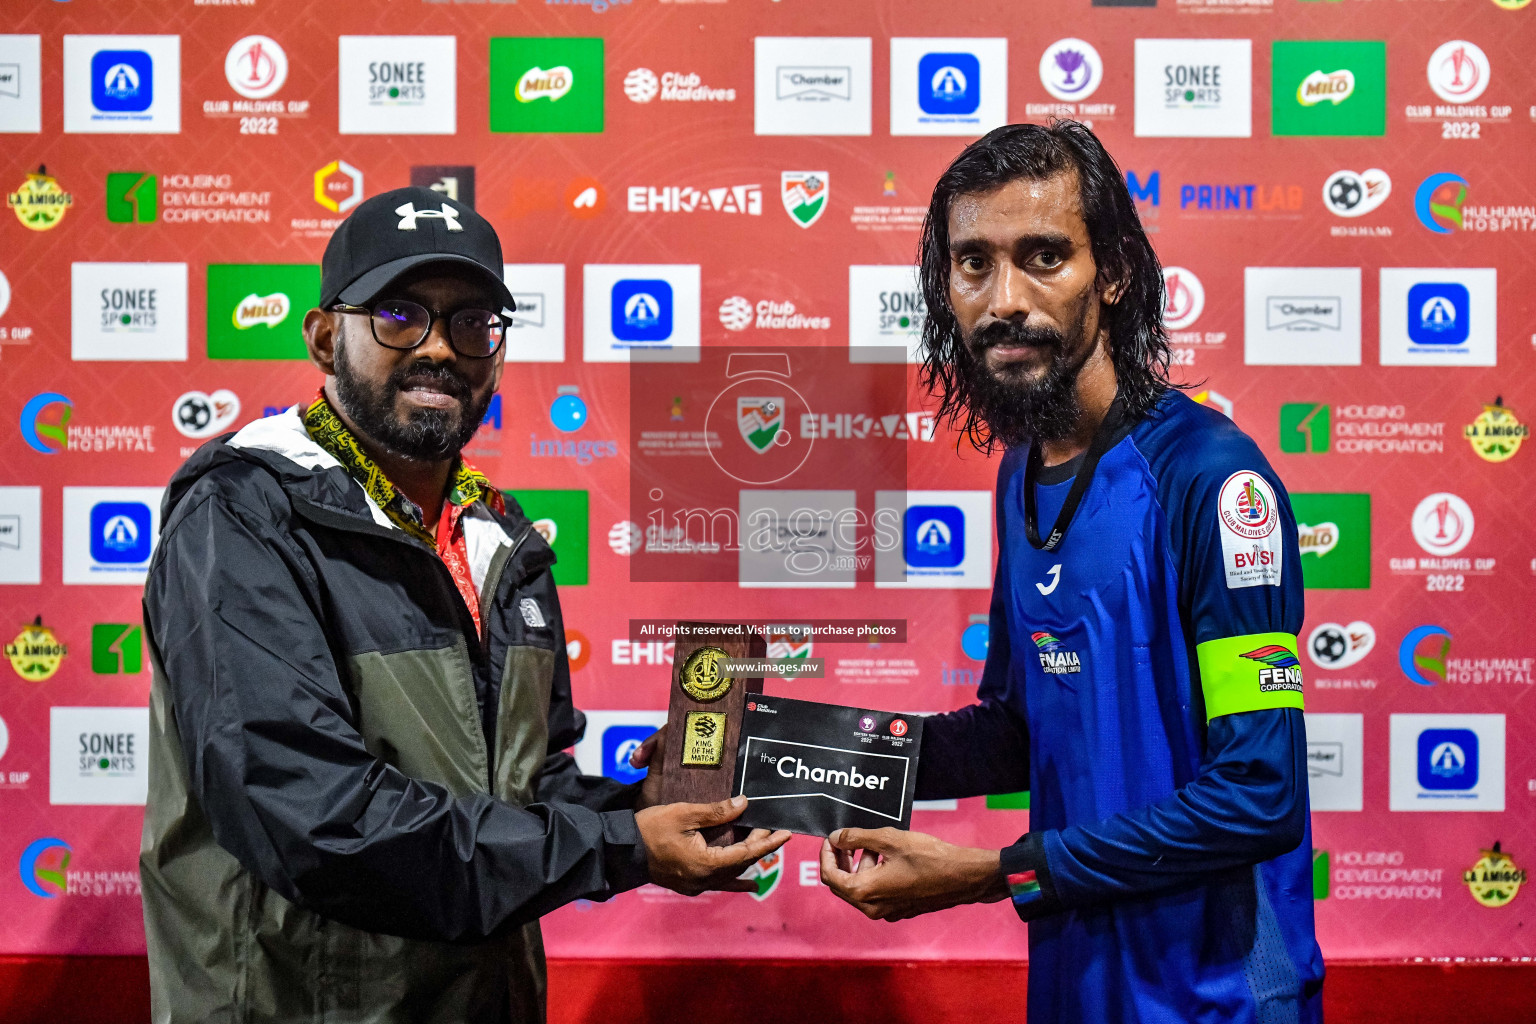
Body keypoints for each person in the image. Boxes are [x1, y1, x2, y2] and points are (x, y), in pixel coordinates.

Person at [139, 186, 788, 1024]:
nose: (441, 349)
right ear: (326, 336)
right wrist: (621, 847)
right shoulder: (243, 514)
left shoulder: (501, 536)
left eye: (474, 323)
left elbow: (525, 789)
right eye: (401, 316)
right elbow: (306, 811)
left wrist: (652, 805)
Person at [819, 122, 1323, 1022]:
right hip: (1076, 989)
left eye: (1043, 256)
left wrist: (994, 874)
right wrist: (768, 753)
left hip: (1221, 1004)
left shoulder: (1214, 483)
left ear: (1116, 272)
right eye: (973, 263)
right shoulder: (1024, 471)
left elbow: (1262, 793)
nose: (1003, 298)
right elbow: (1016, 731)